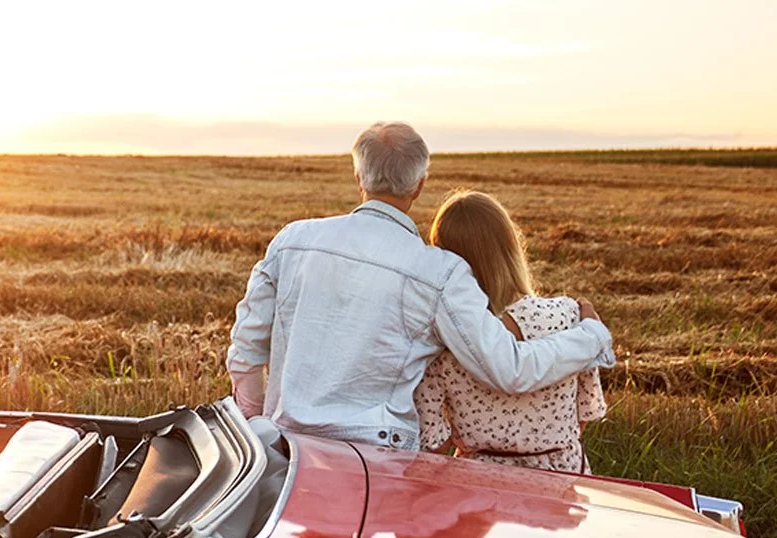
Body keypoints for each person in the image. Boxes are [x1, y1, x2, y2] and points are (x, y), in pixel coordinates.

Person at [226, 122, 614, 450]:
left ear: (359, 177)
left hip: (288, 447)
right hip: (377, 458)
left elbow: (245, 349)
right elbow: (509, 368)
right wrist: (592, 335)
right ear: (419, 186)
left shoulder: (293, 240)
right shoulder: (441, 273)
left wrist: (257, 420)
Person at [413, 191, 609, 473]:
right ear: (510, 245)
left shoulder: (446, 339)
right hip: (562, 487)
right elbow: (586, 413)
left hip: (477, 492)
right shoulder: (571, 316)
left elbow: (433, 442)